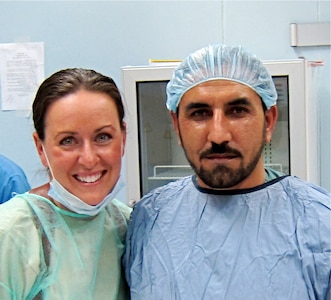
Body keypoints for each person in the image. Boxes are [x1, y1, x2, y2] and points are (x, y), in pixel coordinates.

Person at [123, 45, 331, 299]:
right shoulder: (148, 220)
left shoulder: (320, 224)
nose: (218, 135)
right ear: (177, 126)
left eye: (238, 111)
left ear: (269, 121)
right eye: (200, 113)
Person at [0, 68, 131, 299]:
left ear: (123, 139)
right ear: (40, 148)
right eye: (68, 141)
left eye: (103, 137)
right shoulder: (12, 233)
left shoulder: (129, 227)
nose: (89, 159)